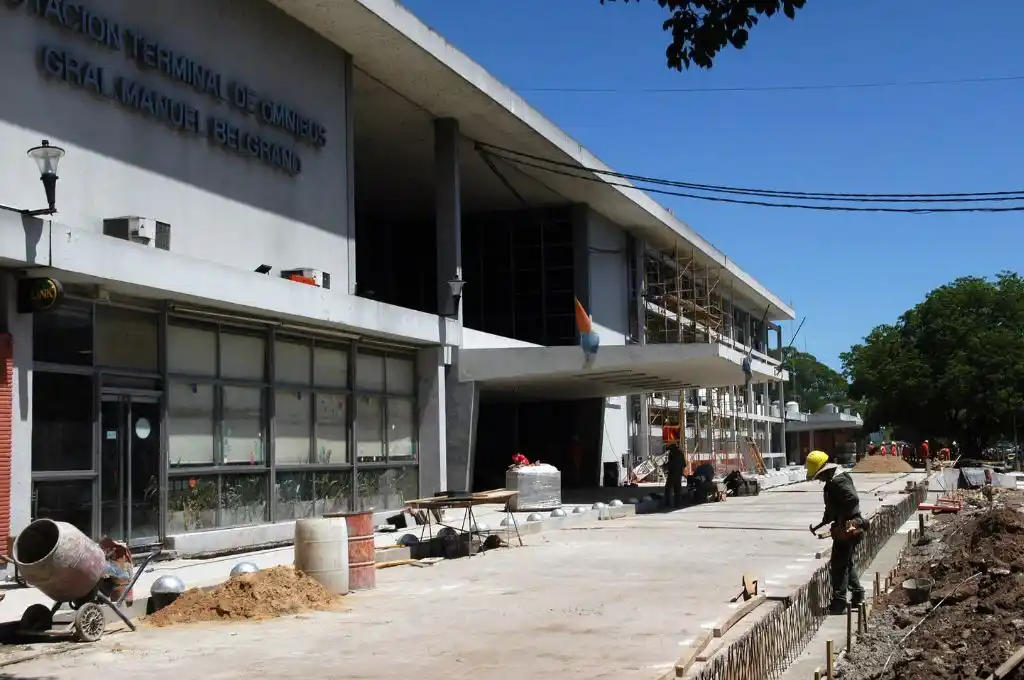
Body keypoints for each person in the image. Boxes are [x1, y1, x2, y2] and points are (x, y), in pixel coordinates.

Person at [805, 450, 867, 615]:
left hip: (849, 527)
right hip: (847, 525)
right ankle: (857, 593)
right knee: (846, 562)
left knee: (839, 566)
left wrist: (842, 520)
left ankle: (839, 603)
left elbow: (852, 499)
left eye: (818, 475)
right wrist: (827, 519)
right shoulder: (834, 479)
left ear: (823, 470)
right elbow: (833, 505)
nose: (818, 478)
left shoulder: (837, 481)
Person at [662, 442, 686, 509]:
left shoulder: (672, 453)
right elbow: (684, 464)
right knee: (677, 489)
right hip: (679, 474)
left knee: (668, 488)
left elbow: (671, 464)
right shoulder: (680, 453)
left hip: (672, 474)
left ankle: (667, 504)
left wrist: (665, 466)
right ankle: (678, 504)